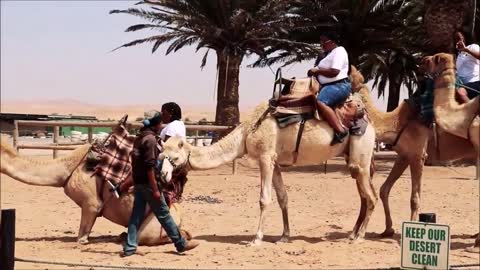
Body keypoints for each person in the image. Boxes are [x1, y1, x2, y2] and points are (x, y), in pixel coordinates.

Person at [122, 110, 199, 256]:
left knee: (136, 215)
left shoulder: (139, 138)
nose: (161, 125)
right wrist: (155, 188)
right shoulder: (150, 140)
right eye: (160, 123)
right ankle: (181, 244)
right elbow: (150, 166)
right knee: (164, 214)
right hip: (149, 184)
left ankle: (130, 247)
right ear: (156, 124)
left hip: (138, 183)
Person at [111, 102, 186, 198]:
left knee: (140, 167)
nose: (162, 115)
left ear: (171, 113)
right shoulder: (180, 124)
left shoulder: (172, 126)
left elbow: (167, 146)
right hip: (173, 156)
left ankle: (121, 188)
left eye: (164, 112)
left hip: (166, 157)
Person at [307, 34, 351, 145]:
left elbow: (334, 72)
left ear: (333, 41)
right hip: (327, 87)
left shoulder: (339, 51)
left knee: (320, 101)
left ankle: (340, 131)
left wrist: (316, 72)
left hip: (339, 86)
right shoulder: (328, 55)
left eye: (324, 42)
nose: (322, 45)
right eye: (320, 42)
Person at [454, 30, 480, 104]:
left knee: (460, 92)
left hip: (475, 81)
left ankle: (474, 113)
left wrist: (466, 49)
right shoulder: (459, 55)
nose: (457, 40)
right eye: (455, 39)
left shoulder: (472, 47)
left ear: (464, 37)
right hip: (464, 84)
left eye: (459, 37)